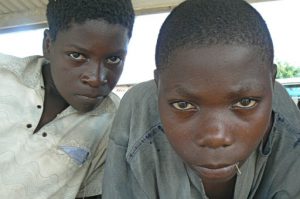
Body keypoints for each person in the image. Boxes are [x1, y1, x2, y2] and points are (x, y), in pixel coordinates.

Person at [102, 0, 300, 198]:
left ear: (272, 82)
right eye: (183, 105)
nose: (215, 137)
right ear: (158, 85)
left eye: (245, 103)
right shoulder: (138, 118)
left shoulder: (288, 129)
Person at [0, 0, 134, 198]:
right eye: (77, 55)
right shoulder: (5, 77)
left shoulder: (113, 125)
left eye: (113, 59)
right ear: (48, 45)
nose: (97, 78)